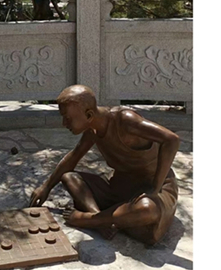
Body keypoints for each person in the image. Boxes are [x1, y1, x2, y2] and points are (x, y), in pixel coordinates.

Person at [29, 85, 180, 245]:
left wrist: (155, 188)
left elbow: (171, 140)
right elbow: (73, 157)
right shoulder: (92, 130)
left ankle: (89, 219)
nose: (64, 123)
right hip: (120, 187)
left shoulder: (125, 121)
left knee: (147, 210)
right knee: (69, 178)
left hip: (150, 189)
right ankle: (103, 220)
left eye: (67, 118)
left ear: (89, 115)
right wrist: (46, 187)